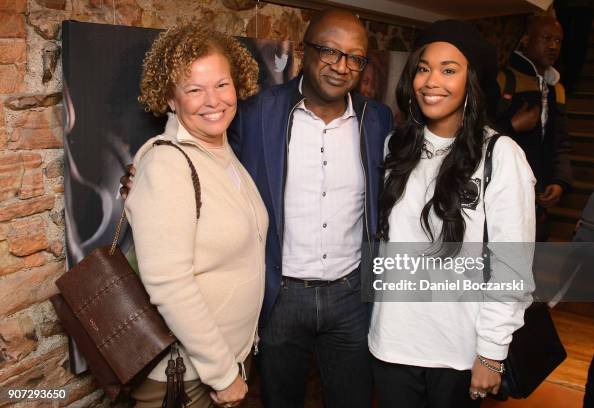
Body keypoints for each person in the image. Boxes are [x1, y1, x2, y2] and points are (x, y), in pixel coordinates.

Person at [228, 9, 393, 408]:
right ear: (304, 51)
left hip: (351, 295)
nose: (342, 67)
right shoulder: (257, 114)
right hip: (281, 295)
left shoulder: (378, 120)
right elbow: (213, 165)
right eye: (330, 51)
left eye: (355, 57)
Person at [369, 20, 536, 407]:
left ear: (471, 81)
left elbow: (513, 263)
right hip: (391, 345)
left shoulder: (500, 155)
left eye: (448, 70)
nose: (431, 81)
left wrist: (492, 352)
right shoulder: (397, 146)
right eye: (423, 68)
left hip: (458, 352)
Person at [124, 21, 268, 408]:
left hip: (226, 360)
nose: (213, 100)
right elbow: (170, 285)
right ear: (170, 99)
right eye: (194, 89)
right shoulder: (167, 165)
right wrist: (222, 375)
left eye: (222, 84)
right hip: (186, 378)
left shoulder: (222, 152)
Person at [495, 15, 573, 241]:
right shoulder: (503, 80)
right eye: (546, 38)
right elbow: (475, 135)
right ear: (526, 40)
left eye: (558, 41)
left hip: (537, 200)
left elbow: (560, 141)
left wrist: (559, 181)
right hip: (503, 195)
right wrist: (511, 126)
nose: (553, 46)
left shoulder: (556, 88)